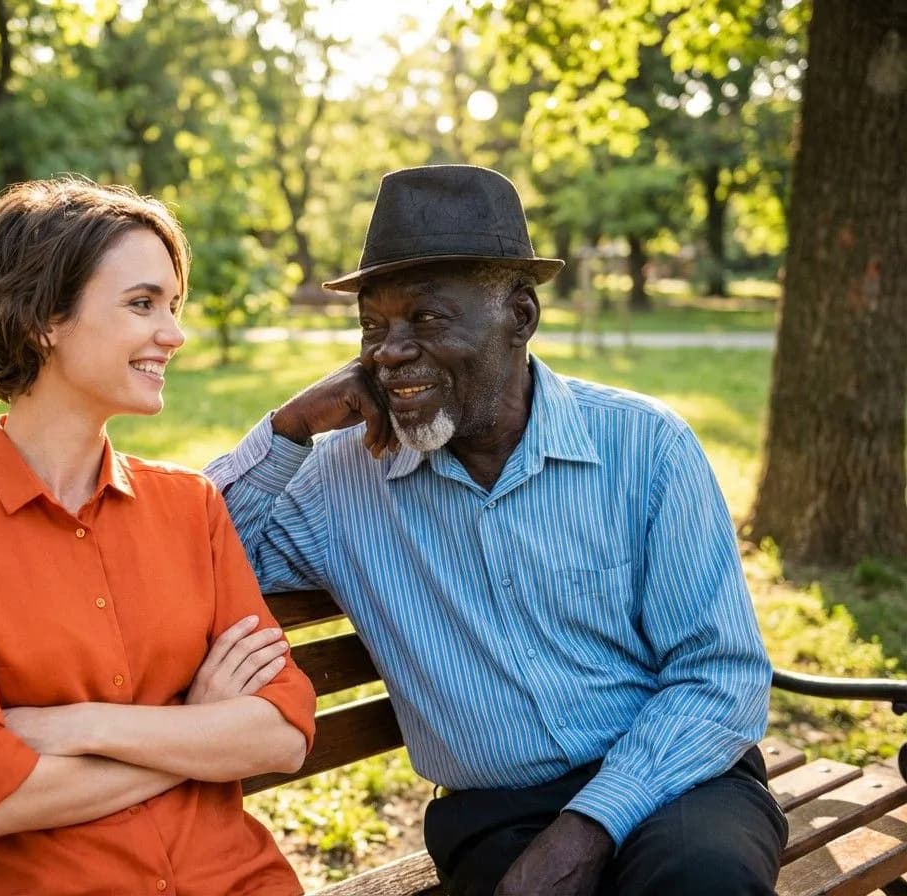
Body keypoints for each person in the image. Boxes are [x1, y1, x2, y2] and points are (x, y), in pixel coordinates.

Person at [205, 164, 788, 896]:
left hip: (675, 778)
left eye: (425, 319)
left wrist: (588, 825)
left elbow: (719, 676)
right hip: (494, 813)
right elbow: (186, 555)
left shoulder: (645, 446)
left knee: (702, 883)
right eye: (373, 327)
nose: (387, 351)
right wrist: (288, 429)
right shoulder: (334, 480)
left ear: (519, 317)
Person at [0, 177, 316, 896]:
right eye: (142, 304)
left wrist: (79, 725)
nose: (173, 334)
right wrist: (194, 730)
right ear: (42, 319)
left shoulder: (190, 504)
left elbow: (282, 731)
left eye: (172, 306)